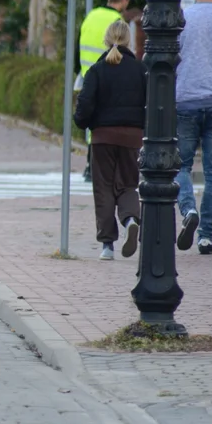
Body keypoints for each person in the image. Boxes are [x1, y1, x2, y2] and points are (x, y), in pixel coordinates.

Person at [73, 20, 146, 261]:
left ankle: (107, 246)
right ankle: (130, 220)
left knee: (103, 188)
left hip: (102, 137)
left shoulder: (96, 70)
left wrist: (81, 121)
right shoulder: (140, 70)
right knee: (127, 184)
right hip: (132, 137)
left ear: (106, 40)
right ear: (128, 41)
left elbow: (84, 105)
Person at [175, 0, 212, 255]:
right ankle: (206, 236)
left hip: (186, 100)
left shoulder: (182, 18)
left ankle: (188, 210)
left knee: (181, 165)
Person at [76, 0, 134, 181]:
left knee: (93, 121)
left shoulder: (91, 15)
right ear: (124, 1)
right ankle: (95, 167)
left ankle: (89, 165)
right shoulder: (116, 20)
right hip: (110, 74)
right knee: (106, 121)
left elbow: (78, 44)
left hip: (88, 74)